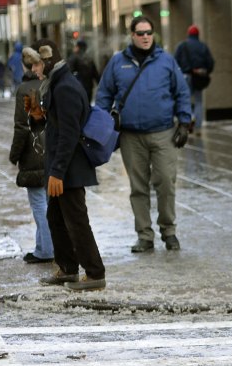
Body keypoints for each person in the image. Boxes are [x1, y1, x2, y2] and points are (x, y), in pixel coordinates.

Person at [96, 16, 192, 253]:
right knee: (138, 187)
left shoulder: (166, 61)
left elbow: (181, 92)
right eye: (141, 33)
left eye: (149, 32)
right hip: (131, 136)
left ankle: (169, 232)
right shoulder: (118, 62)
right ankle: (144, 236)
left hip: (163, 133)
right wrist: (102, 122)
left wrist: (185, 122)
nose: (146, 36)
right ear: (132, 35)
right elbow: (104, 94)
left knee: (166, 183)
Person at [34, 39, 107, 292]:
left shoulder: (65, 87)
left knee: (76, 220)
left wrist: (57, 172)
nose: (33, 69)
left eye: (36, 64)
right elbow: (59, 126)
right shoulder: (56, 83)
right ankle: (67, 269)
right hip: (61, 167)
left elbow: (69, 134)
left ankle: (95, 273)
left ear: (48, 61)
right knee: (55, 218)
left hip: (69, 170)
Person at [9, 46, 54, 265]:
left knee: (38, 204)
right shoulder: (50, 83)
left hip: (33, 151)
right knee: (50, 203)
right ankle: (45, 246)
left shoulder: (25, 89)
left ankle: (46, 250)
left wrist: (14, 155)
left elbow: (22, 126)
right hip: (52, 149)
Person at [174, 25, 214, 134]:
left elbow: (174, 61)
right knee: (199, 101)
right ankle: (198, 125)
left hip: (185, 76)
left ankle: (190, 117)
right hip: (199, 77)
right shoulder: (203, 46)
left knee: (185, 100)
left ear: (188, 34)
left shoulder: (182, 46)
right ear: (198, 34)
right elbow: (210, 62)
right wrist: (205, 72)